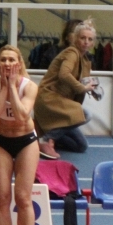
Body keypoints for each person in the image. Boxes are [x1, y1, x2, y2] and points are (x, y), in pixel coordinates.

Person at [0, 45, 40, 225]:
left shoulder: (30, 87)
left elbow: (22, 115)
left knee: (23, 197)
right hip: (0, 141)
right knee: (1, 198)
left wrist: (12, 87)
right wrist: (5, 88)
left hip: (26, 141)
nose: (7, 63)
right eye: (3, 60)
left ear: (19, 64)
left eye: (11, 60)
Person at [34, 19, 98, 159]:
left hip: (60, 102)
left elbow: (80, 81)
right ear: (75, 38)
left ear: (93, 43)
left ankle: (45, 136)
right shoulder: (71, 53)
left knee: (81, 146)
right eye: (82, 38)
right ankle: (46, 139)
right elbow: (64, 74)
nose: (86, 42)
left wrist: (91, 88)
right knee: (86, 114)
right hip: (49, 99)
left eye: (90, 39)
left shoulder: (84, 60)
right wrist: (82, 88)